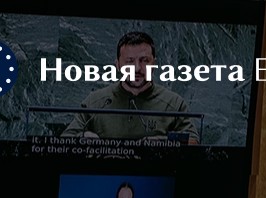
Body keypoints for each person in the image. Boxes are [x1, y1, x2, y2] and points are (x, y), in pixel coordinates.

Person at [62, 32, 198, 142]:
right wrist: (83, 137)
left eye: (144, 61)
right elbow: (66, 138)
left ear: (154, 64)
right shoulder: (95, 102)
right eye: (130, 61)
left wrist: (162, 142)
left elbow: (193, 142)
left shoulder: (174, 103)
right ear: (117, 65)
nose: (137, 68)